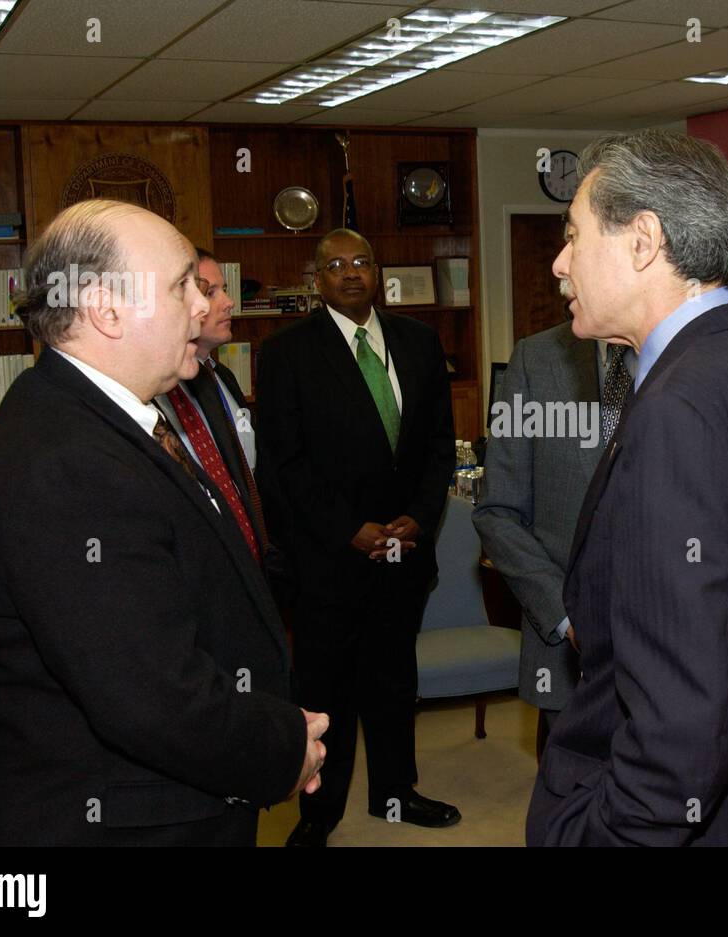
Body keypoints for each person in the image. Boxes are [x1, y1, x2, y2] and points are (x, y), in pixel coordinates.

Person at [524, 129, 728, 846]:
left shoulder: (678, 409)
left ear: (643, 239)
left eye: (573, 236)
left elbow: (679, 727)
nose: (559, 263)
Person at [0, 200, 325, 846]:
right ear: (106, 308)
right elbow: (151, 696)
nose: (205, 306)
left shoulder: (86, 413)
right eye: (183, 285)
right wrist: (281, 747)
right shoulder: (71, 461)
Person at [257, 228, 459, 846]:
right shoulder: (287, 353)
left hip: (403, 555)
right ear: (316, 279)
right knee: (328, 694)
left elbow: (437, 448)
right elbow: (282, 466)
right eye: (336, 264)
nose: (351, 273)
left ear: (379, 273)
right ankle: (319, 815)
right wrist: (349, 529)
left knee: (395, 683)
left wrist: (421, 517)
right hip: (328, 561)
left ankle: (397, 793)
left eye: (362, 262)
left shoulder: (420, 343)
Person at [472, 321, 635, 752]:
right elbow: (497, 513)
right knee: (568, 806)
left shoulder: (684, 353)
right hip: (565, 657)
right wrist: (566, 619)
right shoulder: (535, 359)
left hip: (670, 658)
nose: (563, 268)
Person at [155, 248, 269, 570]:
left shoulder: (222, 377)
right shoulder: (160, 392)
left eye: (224, 290)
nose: (227, 302)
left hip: (250, 558)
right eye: (210, 291)